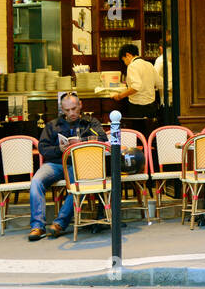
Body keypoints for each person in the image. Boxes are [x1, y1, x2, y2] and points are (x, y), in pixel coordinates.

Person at [29, 92, 106, 241]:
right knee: (36, 182)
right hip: (55, 163)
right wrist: (60, 149)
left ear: (80, 105)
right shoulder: (52, 125)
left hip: (78, 165)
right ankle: (37, 226)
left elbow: (102, 138)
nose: (71, 113)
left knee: (80, 185)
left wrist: (81, 142)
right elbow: (43, 148)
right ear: (62, 110)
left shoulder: (90, 123)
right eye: (67, 110)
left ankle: (59, 224)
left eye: (74, 108)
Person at [113, 43, 157, 135]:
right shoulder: (149, 64)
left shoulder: (132, 66)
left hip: (137, 108)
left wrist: (120, 96)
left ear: (128, 55)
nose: (124, 63)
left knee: (138, 135)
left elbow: (136, 87)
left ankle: (139, 149)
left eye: (123, 59)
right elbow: (159, 83)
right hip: (151, 107)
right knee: (149, 135)